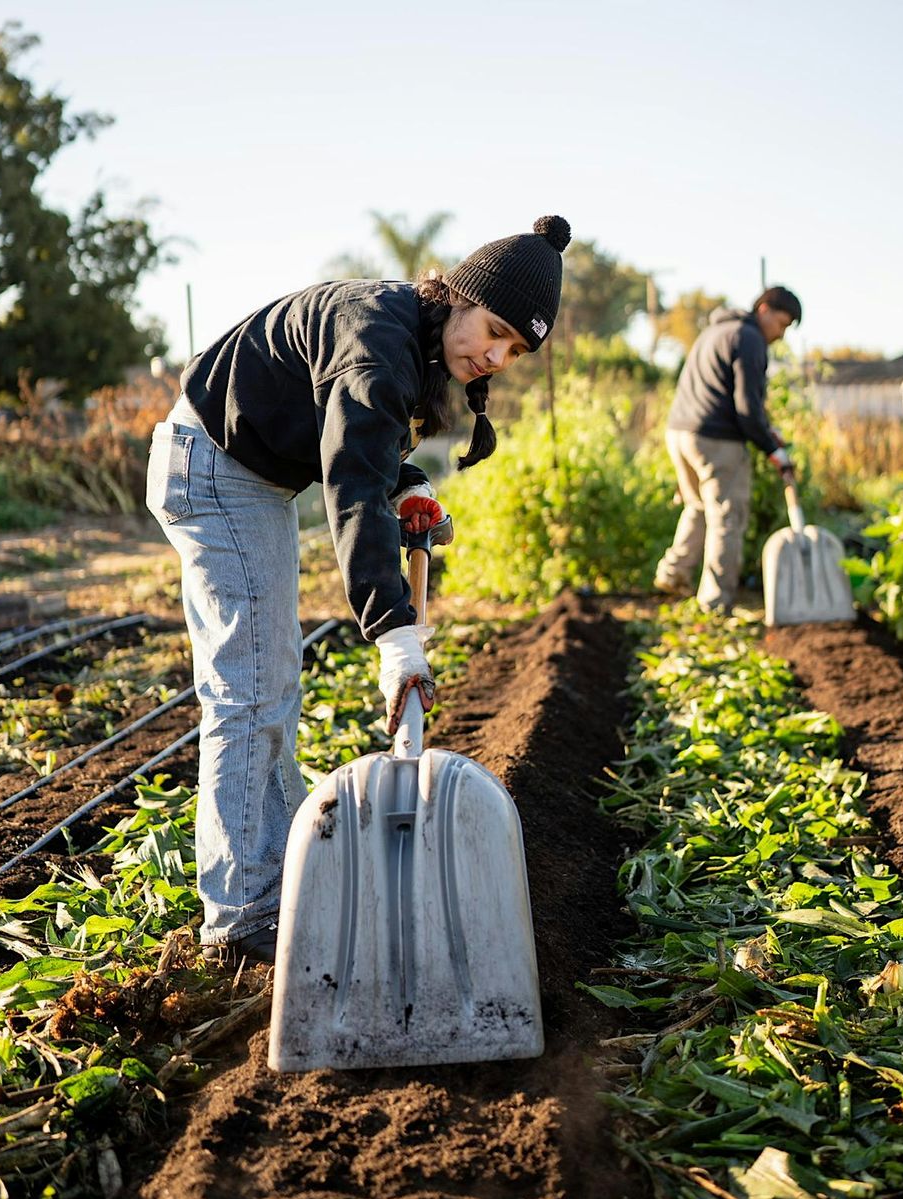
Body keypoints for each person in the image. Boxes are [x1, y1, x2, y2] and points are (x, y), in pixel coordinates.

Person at [146, 215, 571, 967]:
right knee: (249, 690)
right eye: (494, 332)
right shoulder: (377, 337)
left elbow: (368, 446)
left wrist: (408, 482)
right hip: (214, 466)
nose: (494, 357)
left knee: (268, 683)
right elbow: (349, 490)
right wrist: (397, 637)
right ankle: (242, 919)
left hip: (247, 476)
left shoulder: (413, 333)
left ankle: (269, 882)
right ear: (461, 296)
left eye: (513, 351)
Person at [654, 285, 802, 611]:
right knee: (728, 517)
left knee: (697, 506)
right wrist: (773, 451)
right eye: (782, 323)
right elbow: (747, 408)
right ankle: (716, 603)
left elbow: (721, 394)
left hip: (680, 432)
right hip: (716, 440)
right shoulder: (749, 338)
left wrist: (768, 431)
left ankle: (673, 572)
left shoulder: (715, 331)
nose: (781, 334)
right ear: (764, 308)